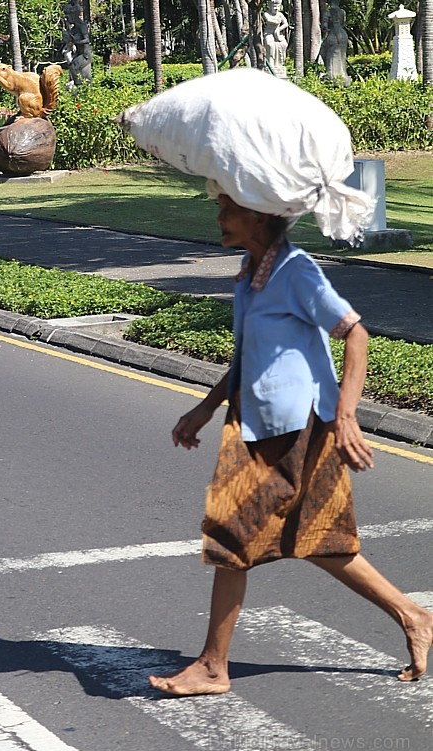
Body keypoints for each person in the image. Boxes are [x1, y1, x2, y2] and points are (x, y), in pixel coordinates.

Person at [148, 184, 433, 696]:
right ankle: (414, 616)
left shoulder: (295, 271)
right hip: (257, 422)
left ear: (258, 219)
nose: (219, 216)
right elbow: (249, 357)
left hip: (298, 428)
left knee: (232, 533)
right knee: (318, 539)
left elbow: (356, 334)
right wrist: (206, 408)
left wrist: (347, 417)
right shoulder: (249, 279)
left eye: (228, 208)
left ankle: (213, 667)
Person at [263, 0, 289, 78]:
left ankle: (279, 64)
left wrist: (279, 29)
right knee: (271, 45)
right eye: (274, 7)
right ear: (270, 6)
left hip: (277, 34)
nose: (276, 9)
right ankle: (270, 65)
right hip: (269, 33)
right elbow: (269, 20)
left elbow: (286, 23)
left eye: (278, 7)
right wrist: (277, 21)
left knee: (283, 44)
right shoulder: (266, 14)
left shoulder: (280, 15)